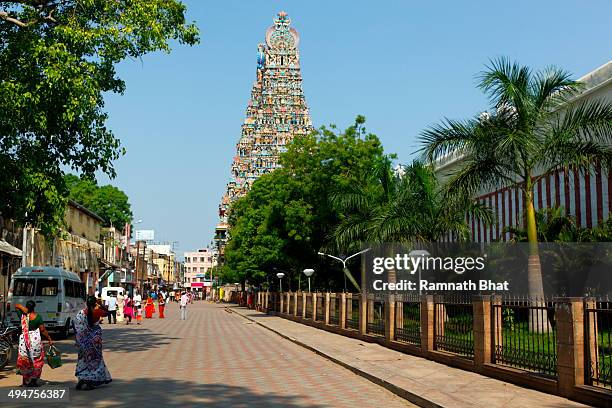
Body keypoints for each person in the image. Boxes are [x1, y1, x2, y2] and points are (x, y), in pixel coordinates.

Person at [74, 296, 112, 391]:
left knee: (83, 360)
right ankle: (89, 381)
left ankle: (82, 379)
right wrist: (100, 305)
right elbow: (107, 312)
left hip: (83, 342)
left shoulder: (80, 313)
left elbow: (77, 328)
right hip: (95, 342)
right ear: (95, 304)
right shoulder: (97, 312)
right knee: (94, 360)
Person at [15, 301, 53, 387]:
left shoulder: (22, 315)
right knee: (37, 360)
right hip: (35, 342)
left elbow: (16, 306)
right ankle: (33, 380)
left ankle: (25, 380)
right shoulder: (38, 317)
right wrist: (49, 339)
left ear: (26, 307)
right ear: (34, 307)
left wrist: (24, 309)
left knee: (25, 360)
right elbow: (42, 330)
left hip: (24, 341)